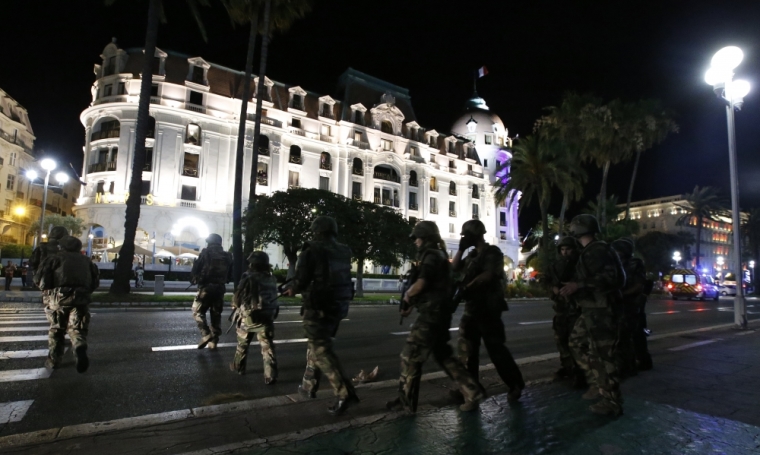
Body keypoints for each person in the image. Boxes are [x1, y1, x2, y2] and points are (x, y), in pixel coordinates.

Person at [387, 221, 485, 413]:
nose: (415, 242)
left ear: (425, 238)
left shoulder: (430, 256)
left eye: (417, 238)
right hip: (439, 315)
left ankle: (405, 401)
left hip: (431, 317)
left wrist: (408, 296)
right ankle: (473, 391)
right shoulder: (439, 255)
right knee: (444, 356)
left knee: (410, 356)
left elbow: (422, 283)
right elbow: (433, 286)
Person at [285, 216, 359, 415]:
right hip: (338, 306)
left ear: (316, 231)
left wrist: (291, 289)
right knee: (317, 345)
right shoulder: (344, 250)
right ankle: (309, 386)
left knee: (321, 350)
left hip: (318, 306)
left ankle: (345, 393)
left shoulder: (311, 250)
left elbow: (300, 280)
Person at [560, 214, 626, 417]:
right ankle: (598, 383)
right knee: (577, 342)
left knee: (605, 355)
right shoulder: (592, 250)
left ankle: (612, 401)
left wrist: (577, 285)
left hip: (601, 310)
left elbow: (610, 278)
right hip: (592, 309)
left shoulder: (596, 251)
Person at [452, 219, 524, 402]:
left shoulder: (492, 252)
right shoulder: (472, 255)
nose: (464, 238)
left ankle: (515, 385)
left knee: (496, 350)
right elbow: (454, 268)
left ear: (476, 235)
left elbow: (488, 274)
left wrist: (467, 288)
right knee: (467, 351)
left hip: (488, 309)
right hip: (472, 309)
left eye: (466, 236)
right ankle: (470, 389)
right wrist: (461, 249)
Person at [34, 236, 99, 372]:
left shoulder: (53, 259)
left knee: (57, 329)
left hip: (58, 299)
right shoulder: (86, 261)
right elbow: (94, 282)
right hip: (81, 298)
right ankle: (79, 345)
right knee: (78, 329)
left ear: (61, 246)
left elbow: (41, 281)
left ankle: (54, 360)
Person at [229, 251, 279, 384]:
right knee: (267, 347)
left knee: (242, 344)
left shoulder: (248, 276)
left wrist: (234, 305)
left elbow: (237, 297)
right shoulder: (271, 278)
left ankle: (239, 367)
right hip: (267, 317)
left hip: (249, 318)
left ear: (253, 264)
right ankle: (270, 375)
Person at [611, 238, 653, 373]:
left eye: (618, 251)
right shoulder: (616, 264)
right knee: (622, 335)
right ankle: (627, 363)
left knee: (635, 334)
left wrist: (622, 294)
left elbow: (639, 285)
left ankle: (640, 362)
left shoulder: (635, 263)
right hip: (620, 304)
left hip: (632, 304)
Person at [548, 236, 584, 386]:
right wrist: (554, 289)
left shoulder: (580, 265)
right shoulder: (556, 265)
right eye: (562, 249)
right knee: (561, 339)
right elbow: (548, 280)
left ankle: (580, 371)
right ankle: (567, 367)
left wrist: (575, 287)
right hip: (561, 308)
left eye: (568, 249)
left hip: (576, 309)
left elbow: (586, 281)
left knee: (576, 342)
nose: (565, 252)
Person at [191, 233, 232, 349]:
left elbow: (196, 270)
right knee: (216, 314)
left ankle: (206, 334)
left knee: (197, 311)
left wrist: (195, 278)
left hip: (206, 288)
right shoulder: (228, 255)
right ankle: (214, 341)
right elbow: (230, 275)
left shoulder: (205, 253)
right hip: (220, 288)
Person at [29, 226, 69, 309]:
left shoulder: (41, 248)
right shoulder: (65, 249)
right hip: (62, 282)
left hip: (45, 281)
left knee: (51, 305)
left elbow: (33, 264)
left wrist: (37, 277)